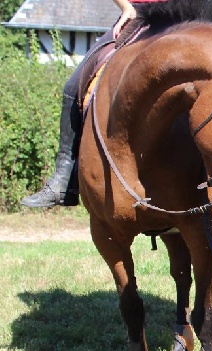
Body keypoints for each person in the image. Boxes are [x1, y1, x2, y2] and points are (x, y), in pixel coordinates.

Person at [22, 0, 165, 208]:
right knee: (73, 87)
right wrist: (126, 7)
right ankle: (63, 181)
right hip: (139, 16)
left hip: (183, 16)